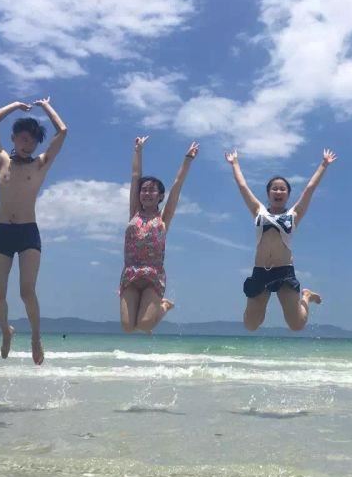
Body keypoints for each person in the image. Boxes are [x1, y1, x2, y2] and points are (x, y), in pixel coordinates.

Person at [0, 97, 67, 365]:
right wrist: (15, 105)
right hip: (3, 232)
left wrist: (46, 107)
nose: (26, 144)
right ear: (14, 138)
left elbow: (62, 131)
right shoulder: (2, 160)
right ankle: (6, 331)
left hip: (28, 232)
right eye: (22, 138)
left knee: (26, 291)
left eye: (31, 141)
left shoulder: (39, 164)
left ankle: (35, 337)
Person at [225, 148, 337, 331]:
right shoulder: (258, 211)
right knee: (251, 325)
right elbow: (243, 187)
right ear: (268, 193)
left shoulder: (294, 215)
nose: (278, 191)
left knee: (296, 325)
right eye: (274, 188)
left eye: (283, 189)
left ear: (288, 194)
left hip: (284, 272)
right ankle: (257, 305)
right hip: (260, 272)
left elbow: (309, 189)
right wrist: (235, 163)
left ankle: (306, 296)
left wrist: (324, 164)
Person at [120, 137, 199, 333]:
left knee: (145, 325)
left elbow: (177, 185)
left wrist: (188, 159)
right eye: (144, 190)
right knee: (128, 327)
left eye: (152, 191)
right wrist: (138, 150)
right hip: (130, 273)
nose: (147, 193)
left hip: (153, 276)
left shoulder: (163, 218)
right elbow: (135, 176)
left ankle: (164, 306)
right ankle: (146, 308)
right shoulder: (134, 213)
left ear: (160, 196)